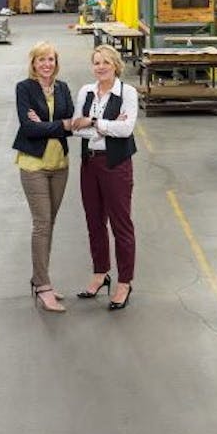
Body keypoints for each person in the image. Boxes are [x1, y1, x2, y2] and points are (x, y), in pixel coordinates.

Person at [13, 41, 81, 314]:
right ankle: (42, 285)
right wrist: (58, 125)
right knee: (42, 224)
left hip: (59, 165)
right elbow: (28, 128)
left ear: (56, 62)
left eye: (50, 59)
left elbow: (72, 124)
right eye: (41, 60)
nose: (46, 64)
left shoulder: (62, 87)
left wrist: (50, 125)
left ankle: (40, 277)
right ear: (33, 63)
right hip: (33, 165)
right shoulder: (24, 88)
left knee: (50, 222)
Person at [72, 43, 138, 311]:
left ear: (115, 65)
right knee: (94, 221)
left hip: (116, 165)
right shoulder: (86, 92)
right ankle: (100, 273)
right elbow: (76, 128)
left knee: (121, 224)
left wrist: (95, 123)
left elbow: (126, 130)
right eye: (96, 62)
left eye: (105, 62)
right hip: (89, 164)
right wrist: (104, 128)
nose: (100, 67)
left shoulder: (127, 93)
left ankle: (124, 282)